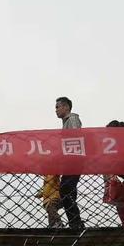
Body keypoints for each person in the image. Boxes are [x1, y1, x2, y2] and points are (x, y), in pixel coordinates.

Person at [55, 97, 84, 230]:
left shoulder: (72, 119)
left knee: (66, 189)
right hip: (70, 161)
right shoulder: (66, 122)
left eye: (58, 107)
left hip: (74, 160)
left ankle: (76, 223)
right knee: (68, 190)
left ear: (66, 107)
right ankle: (75, 223)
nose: (56, 110)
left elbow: (75, 139)